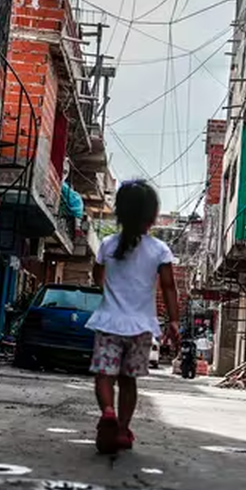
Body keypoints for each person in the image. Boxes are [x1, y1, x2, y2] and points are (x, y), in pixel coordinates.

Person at [85, 180, 179, 454]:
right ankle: (123, 430)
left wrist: (110, 294)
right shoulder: (159, 250)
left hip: (108, 323)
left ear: (120, 213)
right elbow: (169, 287)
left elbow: (98, 276)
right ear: (152, 216)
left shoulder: (106, 244)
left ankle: (108, 412)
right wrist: (173, 321)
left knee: (104, 375)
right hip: (140, 328)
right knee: (128, 381)